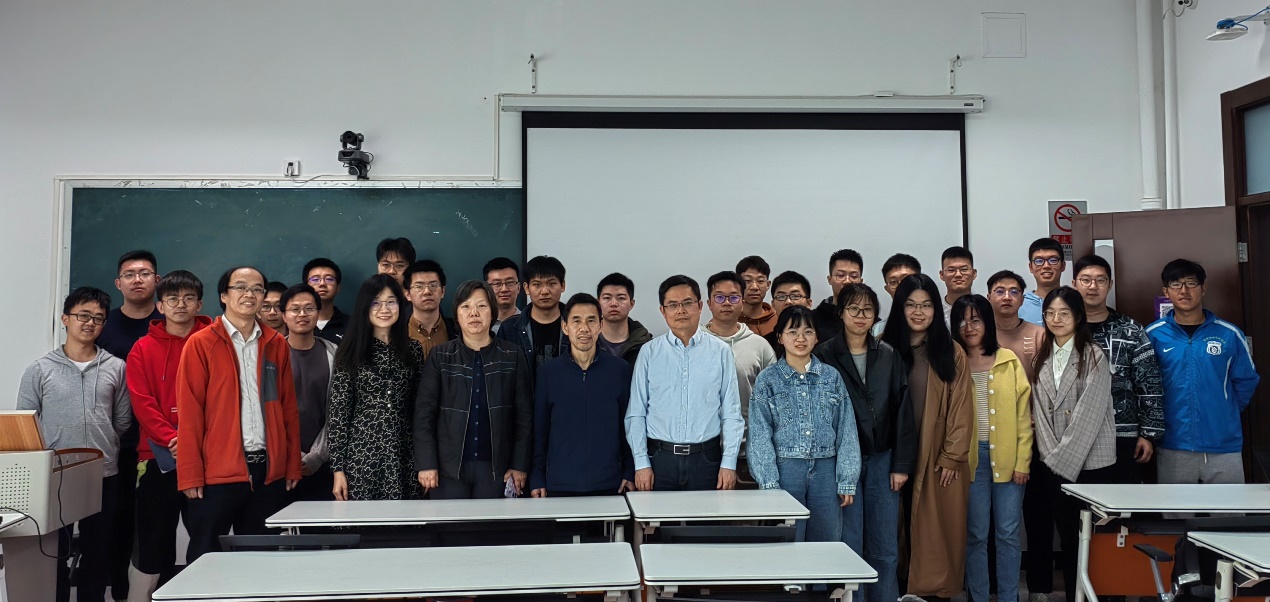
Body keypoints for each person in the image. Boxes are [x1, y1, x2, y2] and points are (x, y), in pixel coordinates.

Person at [177, 266, 301, 563]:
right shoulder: (201, 343)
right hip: (216, 474)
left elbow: (287, 408)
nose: (250, 294)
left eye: (257, 289)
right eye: (241, 287)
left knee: (260, 559)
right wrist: (190, 473)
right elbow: (190, 414)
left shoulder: (276, 344)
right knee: (206, 558)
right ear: (224, 295)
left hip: (267, 473)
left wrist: (292, 465)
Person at [17, 287, 131, 602]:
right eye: (83, 315)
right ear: (66, 319)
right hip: (55, 475)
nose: (90, 323)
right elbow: (27, 423)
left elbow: (122, 420)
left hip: (102, 474)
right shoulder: (40, 369)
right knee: (54, 551)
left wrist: (101, 442)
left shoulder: (116, 367)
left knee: (98, 551)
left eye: (98, 318)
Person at [815, 282, 915, 602]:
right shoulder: (823, 355)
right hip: (842, 461)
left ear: (875, 316)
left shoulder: (888, 355)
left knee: (884, 544)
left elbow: (903, 411)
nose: (860, 316)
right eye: (854, 309)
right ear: (841, 313)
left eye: (868, 310)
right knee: (850, 541)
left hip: (883, 458)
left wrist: (901, 465)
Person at [882, 274, 972, 602]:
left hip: (936, 454)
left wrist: (952, 455)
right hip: (890, 453)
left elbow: (962, 407)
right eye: (910, 305)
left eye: (926, 305)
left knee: (934, 528)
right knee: (893, 523)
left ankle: (930, 592)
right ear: (899, 308)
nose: (918, 312)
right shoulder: (882, 347)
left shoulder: (951, 351)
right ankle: (895, 588)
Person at [125, 271, 210, 601]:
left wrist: (192, 442)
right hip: (156, 458)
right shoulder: (142, 348)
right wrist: (173, 439)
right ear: (160, 306)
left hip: (206, 459)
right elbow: (142, 402)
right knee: (152, 543)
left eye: (188, 298)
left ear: (199, 304)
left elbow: (222, 400)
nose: (180, 305)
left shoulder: (214, 343)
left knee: (205, 541)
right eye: (172, 299)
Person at [1028, 286, 1117, 602]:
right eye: (1050, 313)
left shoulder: (1094, 355)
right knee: (1068, 539)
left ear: (1078, 317)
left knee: (1094, 539)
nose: (1056, 319)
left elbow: (1089, 413)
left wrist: (1060, 459)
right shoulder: (1041, 355)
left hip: (1091, 461)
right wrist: (1051, 456)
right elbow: (1039, 412)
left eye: (1064, 313)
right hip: (1054, 462)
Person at [749, 305, 861, 542]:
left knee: (826, 540)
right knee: (788, 541)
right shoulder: (768, 380)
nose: (800, 339)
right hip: (786, 468)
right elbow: (759, 434)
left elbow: (846, 429)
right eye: (792, 332)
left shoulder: (831, 377)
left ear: (817, 337)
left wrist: (847, 479)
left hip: (826, 470)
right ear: (780, 337)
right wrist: (768, 482)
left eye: (808, 332)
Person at [415, 281, 534, 499]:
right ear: (456, 314)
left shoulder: (512, 355)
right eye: (466, 307)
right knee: (449, 521)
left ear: (492, 312)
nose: (474, 313)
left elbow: (524, 416)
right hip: (447, 468)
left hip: (497, 467)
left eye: (482, 306)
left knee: (492, 522)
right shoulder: (440, 356)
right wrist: (427, 463)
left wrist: (519, 465)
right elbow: (424, 415)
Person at [1146, 259, 1259, 487]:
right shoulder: (1153, 335)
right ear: (1166, 291)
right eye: (1176, 284)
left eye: (1191, 283)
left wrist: (1223, 410)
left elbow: (1246, 381)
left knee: (1228, 509)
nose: (1184, 291)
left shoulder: (1229, 334)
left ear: (1203, 288)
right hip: (1173, 444)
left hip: (1223, 445)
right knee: (1176, 510)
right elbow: (1145, 386)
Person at [626, 275, 744, 491]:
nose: (681, 310)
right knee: (658, 514)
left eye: (687, 303)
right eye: (673, 305)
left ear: (700, 306)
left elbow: (731, 412)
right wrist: (641, 462)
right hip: (659, 459)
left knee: (706, 515)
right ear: (663, 311)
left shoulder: (720, 351)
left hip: (707, 460)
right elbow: (636, 412)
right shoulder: (649, 352)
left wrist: (729, 463)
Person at [950, 295, 1033, 602]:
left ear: (987, 322)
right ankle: (979, 597)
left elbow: (1024, 417)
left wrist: (1023, 461)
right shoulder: (952, 363)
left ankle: (1010, 597)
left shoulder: (1008, 361)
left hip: (1009, 460)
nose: (969, 327)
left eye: (976, 320)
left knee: (1008, 535)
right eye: (962, 321)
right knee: (975, 535)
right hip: (970, 461)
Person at [95, 249, 160, 601]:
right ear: (118, 283)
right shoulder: (103, 327)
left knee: (156, 525)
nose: (138, 279)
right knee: (117, 522)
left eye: (145, 273)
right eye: (130, 274)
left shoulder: (169, 322)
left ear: (157, 280)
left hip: (163, 443)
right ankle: (119, 592)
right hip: (116, 443)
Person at [328, 275, 424, 501]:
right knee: (363, 518)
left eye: (391, 302)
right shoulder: (350, 351)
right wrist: (338, 469)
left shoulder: (413, 350)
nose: (384, 309)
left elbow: (420, 409)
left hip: (405, 453)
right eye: (376, 303)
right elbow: (339, 413)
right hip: (362, 454)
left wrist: (425, 461)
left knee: (406, 517)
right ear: (365, 306)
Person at [531, 294, 635, 497]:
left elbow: (629, 425)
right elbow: (540, 431)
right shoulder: (548, 373)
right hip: (560, 483)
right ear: (565, 327)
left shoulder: (620, 370)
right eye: (576, 321)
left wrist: (629, 471)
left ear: (601, 325)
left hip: (609, 482)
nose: (584, 328)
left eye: (591, 321)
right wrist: (537, 477)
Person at [1073, 254, 1164, 485]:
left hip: (1122, 434)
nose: (1093, 286)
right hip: (1073, 435)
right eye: (1085, 280)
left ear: (1110, 284)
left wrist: (1148, 434)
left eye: (1100, 280)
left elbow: (1149, 383)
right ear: (1074, 284)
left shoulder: (1131, 330)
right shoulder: (1062, 329)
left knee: (1120, 501)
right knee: (1075, 502)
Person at [703, 271, 777, 486]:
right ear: (708, 303)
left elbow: (773, 400)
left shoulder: (759, 346)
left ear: (742, 301)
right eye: (719, 297)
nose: (727, 303)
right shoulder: (694, 343)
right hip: (703, 452)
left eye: (733, 297)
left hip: (748, 453)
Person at [281, 284, 338, 502]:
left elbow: (339, 412)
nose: (302, 314)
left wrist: (317, 456)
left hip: (326, 463)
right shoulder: (270, 356)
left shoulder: (335, 354)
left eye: (309, 308)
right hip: (282, 463)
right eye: (295, 309)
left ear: (318, 312)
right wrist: (291, 454)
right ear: (284, 316)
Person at [497, 256, 569, 373]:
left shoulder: (576, 324)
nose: (545, 291)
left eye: (552, 284)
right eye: (537, 284)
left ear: (563, 285)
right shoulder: (509, 328)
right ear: (526, 288)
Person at [987, 270, 1045, 381]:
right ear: (989, 298)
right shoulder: (980, 334)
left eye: (1014, 292)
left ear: (1022, 300)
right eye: (1000, 292)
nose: (1007, 297)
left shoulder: (1039, 334)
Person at [596, 272, 653, 367]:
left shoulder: (646, 344)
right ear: (598, 303)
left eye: (621, 298)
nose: (614, 303)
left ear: (631, 304)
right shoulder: (586, 341)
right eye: (607, 298)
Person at [404, 260, 457, 359]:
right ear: (408, 294)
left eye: (433, 285)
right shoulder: (395, 332)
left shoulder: (457, 331)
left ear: (443, 291)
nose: (427, 292)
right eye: (419, 287)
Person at [814, 249, 865, 343]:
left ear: (861, 281)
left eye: (854, 276)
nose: (847, 281)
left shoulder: (871, 320)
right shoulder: (812, 320)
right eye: (841, 275)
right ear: (829, 279)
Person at [767, 270, 814, 357]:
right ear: (773, 304)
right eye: (781, 297)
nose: (788, 301)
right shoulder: (766, 344)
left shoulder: (822, 341)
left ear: (809, 303)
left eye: (795, 296)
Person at [303, 257, 349, 343]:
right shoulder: (297, 323)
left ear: (338, 287)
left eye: (329, 279)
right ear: (305, 287)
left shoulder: (352, 325)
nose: (322, 284)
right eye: (315, 279)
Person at [1021, 238, 1065, 326]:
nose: (1046, 266)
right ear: (1031, 267)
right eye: (1039, 261)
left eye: (1053, 260)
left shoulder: (1073, 301)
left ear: (1063, 265)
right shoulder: (1019, 304)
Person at [876, 253, 921, 337]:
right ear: (887, 289)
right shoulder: (878, 330)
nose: (901, 286)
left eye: (906, 279)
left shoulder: (938, 324)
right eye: (893, 282)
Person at [736, 256, 778, 336]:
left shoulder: (779, 322)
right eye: (747, 281)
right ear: (738, 284)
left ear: (768, 285)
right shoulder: (726, 321)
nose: (754, 287)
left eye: (760, 281)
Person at [938, 246, 976, 326]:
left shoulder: (984, 309)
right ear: (942, 275)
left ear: (974, 273)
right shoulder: (935, 310)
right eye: (951, 270)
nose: (958, 275)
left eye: (964, 269)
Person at [483, 257, 521, 334]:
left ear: (518, 288)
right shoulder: (479, 325)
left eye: (510, 282)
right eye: (497, 284)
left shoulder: (528, 322)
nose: (504, 289)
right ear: (486, 289)